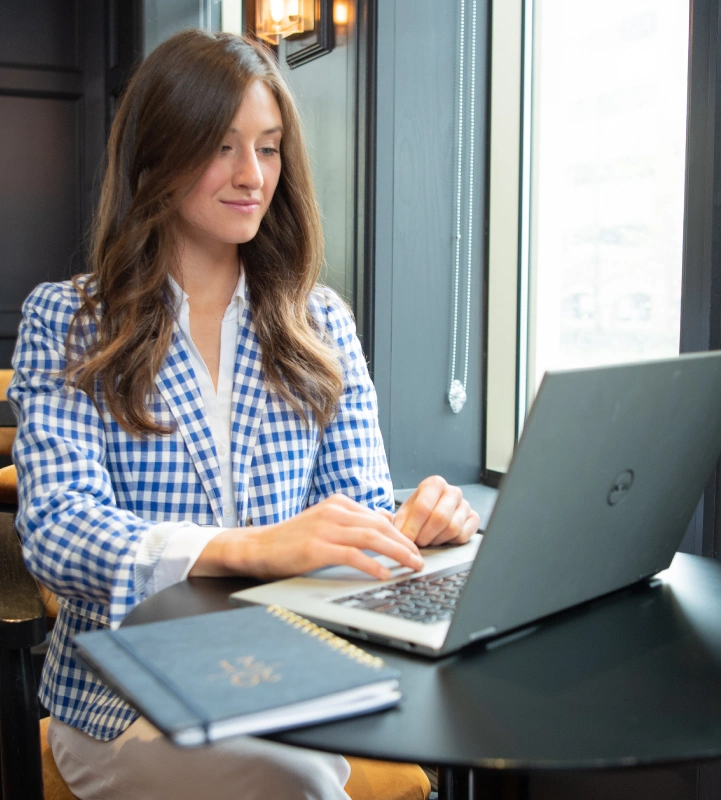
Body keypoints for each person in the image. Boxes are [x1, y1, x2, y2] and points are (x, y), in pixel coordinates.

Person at [8, 29, 479, 800]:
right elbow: (57, 533)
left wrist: (412, 521)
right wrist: (249, 548)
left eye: (268, 148)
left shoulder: (320, 322)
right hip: (121, 702)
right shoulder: (70, 320)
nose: (252, 176)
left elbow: (358, 507)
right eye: (222, 147)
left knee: (297, 766)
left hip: (293, 676)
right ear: (156, 157)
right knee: (288, 781)